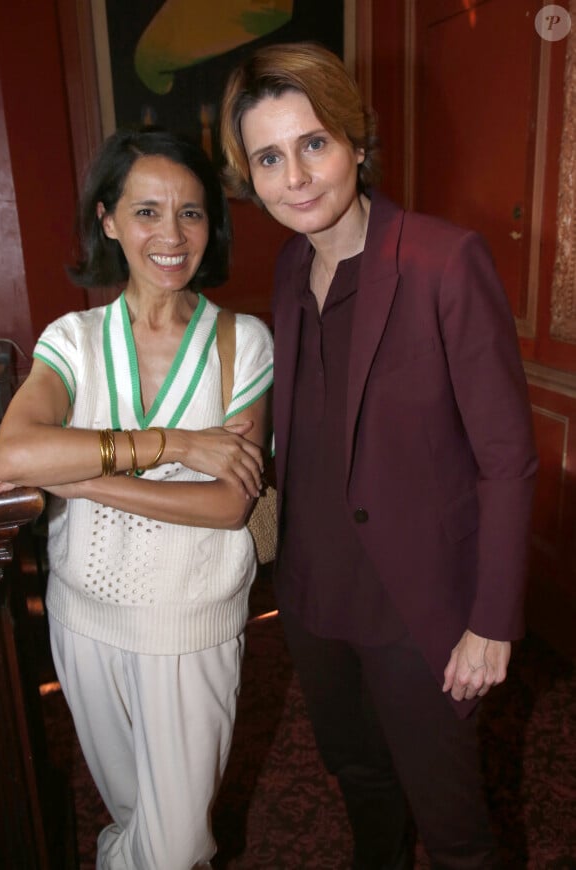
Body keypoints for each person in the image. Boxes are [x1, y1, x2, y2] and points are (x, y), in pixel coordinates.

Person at [220, 42, 538, 869]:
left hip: (418, 608)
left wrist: (491, 623)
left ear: (357, 142)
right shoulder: (290, 268)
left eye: (314, 143)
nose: (296, 176)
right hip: (317, 597)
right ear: (249, 177)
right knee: (359, 781)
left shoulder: (443, 261)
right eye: (268, 157)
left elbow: (508, 458)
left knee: (454, 823)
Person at [0, 127, 273, 869]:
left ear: (211, 224)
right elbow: (12, 453)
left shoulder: (241, 342)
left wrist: (77, 476)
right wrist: (176, 445)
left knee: (177, 845)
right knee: (129, 813)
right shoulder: (73, 339)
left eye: (191, 212)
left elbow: (228, 506)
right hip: (83, 623)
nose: (171, 234)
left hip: (191, 624)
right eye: (147, 211)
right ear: (108, 219)